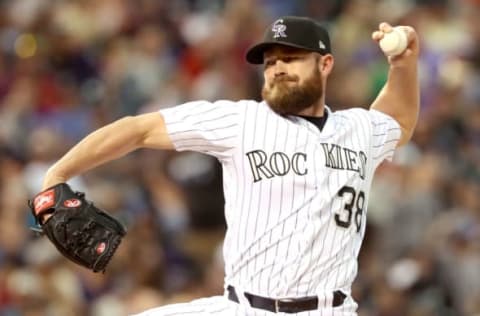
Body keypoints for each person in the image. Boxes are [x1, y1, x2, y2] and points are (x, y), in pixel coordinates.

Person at [40, 16, 419, 316]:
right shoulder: (241, 121)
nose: (276, 68)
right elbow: (138, 129)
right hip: (242, 307)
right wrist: (56, 174)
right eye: (270, 62)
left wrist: (403, 64)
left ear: (325, 63)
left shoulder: (357, 130)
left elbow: (398, 122)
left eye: (290, 58)